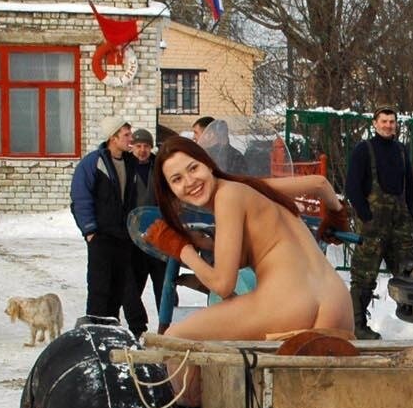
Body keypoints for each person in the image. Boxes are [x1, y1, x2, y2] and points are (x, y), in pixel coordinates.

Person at [141, 136, 351, 341]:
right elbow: (319, 184)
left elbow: (223, 285)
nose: (189, 181)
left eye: (193, 168)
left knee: (175, 337)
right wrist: (337, 214)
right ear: (171, 190)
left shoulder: (226, 196)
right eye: (177, 179)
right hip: (337, 301)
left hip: (290, 304)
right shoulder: (253, 187)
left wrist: (181, 249)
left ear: (208, 164)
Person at [69, 117, 152, 332]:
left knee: (119, 286)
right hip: (101, 235)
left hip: (123, 235)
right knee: (99, 287)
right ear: (113, 138)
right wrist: (90, 230)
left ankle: (111, 330)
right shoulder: (93, 162)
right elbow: (80, 198)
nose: (131, 139)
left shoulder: (131, 163)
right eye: (126, 135)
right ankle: (95, 331)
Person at [344, 107, 413, 339]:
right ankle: (358, 326)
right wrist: (366, 216)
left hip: (399, 226)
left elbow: (410, 186)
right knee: (363, 277)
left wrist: (409, 213)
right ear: (375, 124)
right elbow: (352, 187)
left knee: (410, 273)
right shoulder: (364, 150)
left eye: (391, 121)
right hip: (372, 228)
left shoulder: (401, 151)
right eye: (383, 121)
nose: (388, 125)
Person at [128, 128, 168, 315]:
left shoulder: (160, 168)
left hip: (158, 234)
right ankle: (137, 325)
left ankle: (168, 323)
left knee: (164, 284)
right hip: (134, 236)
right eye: (138, 146)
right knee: (134, 286)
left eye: (146, 146)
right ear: (132, 147)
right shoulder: (126, 167)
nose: (142, 150)